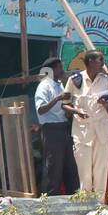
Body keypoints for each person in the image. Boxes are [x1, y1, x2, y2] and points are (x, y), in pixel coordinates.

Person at [61, 50, 108, 196]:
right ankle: (85, 205)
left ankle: (99, 205)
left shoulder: (106, 80)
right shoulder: (75, 80)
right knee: (84, 172)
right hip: (82, 131)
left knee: (101, 170)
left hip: (102, 129)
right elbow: (64, 104)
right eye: (100, 60)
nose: (103, 63)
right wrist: (77, 111)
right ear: (91, 62)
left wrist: (106, 104)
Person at [33, 56, 79, 196]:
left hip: (64, 128)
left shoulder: (59, 85)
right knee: (53, 165)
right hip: (52, 130)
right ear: (53, 69)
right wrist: (58, 98)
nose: (62, 70)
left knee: (69, 165)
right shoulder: (44, 86)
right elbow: (41, 109)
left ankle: (72, 195)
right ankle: (49, 197)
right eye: (60, 67)